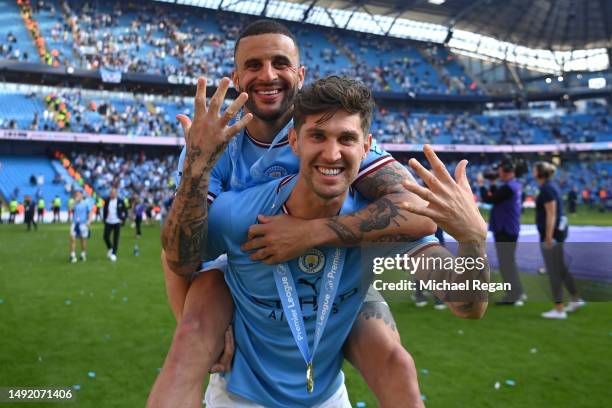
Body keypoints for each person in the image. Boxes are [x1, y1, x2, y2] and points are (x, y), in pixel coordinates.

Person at [149, 20, 438, 408]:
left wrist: (314, 232)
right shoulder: (213, 144)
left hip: (334, 267)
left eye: (280, 63)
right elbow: (180, 251)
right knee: (194, 331)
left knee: (396, 363)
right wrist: (191, 323)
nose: (267, 75)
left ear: (300, 74)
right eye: (253, 65)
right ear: (236, 78)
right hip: (242, 272)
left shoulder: (330, 136)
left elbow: (420, 214)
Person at [199, 76, 489, 406]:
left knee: (398, 364)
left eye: (347, 139)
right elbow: (179, 256)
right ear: (294, 141)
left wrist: (473, 240)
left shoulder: (380, 223)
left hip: (327, 397)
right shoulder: (242, 212)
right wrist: (202, 319)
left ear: (366, 148)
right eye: (318, 136)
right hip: (240, 397)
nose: (332, 153)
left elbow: (467, 304)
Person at [534, 162, 585, 319]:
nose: (532, 172)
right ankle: (575, 299)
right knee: (560, 267)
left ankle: (559, 309)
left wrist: (548, 236)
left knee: (554, 270)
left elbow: (551, 213)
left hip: (552, 235)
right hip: (558, 233)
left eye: (535, 170)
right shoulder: (551, 186)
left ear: (539, 173)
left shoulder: (547, 188)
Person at [478, 157, 526, 305]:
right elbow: (497, 197)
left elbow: (489, 200)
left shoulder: (507, 188)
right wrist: (492, 184)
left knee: (506, 264)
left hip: (505, 228)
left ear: (506, 172)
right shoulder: (514, 185)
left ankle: (513, 296)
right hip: (510, 227)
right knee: (509, 262)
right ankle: (518, 292)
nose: (497, 173)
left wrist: (481, 185)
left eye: (499, 171)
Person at [103, 187, 127, 262]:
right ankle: (110, 248)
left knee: (115, 238)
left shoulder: (120, 201)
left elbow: (125, 211)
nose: (112, 194)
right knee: (105, 236)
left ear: (116, 193)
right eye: (111, 193)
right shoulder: (107, 201)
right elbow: (104, 210)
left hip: (117, 222)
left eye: (114, 193)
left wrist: (123, 219)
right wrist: (104, 218)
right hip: (108, 221)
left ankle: (114, 253)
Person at [69, 190, 93, 263]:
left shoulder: (86, 203)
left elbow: (90, 212)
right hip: (75, 223)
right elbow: (70, 208)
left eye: (79, 195)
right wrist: (75, 201)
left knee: (83, 240)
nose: (77, 196)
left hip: (83, 224)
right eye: (76, 195)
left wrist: (89, 221)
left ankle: (83, 254)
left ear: (82, 195)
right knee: (72, 239)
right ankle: (73, 255)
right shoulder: (75, 202)